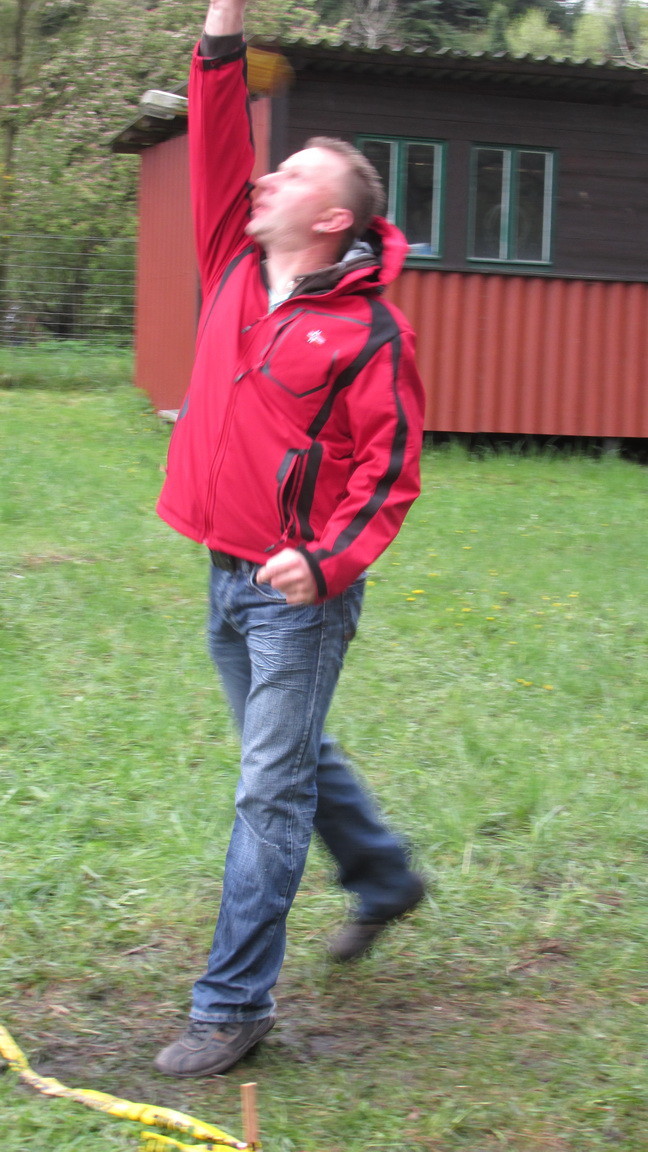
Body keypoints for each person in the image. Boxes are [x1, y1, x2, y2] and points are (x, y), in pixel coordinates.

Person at [153, 0, 426, 1079]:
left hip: (296, 594)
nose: (269, 178)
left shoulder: (368, 333)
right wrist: (223, 27)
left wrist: (325, 562)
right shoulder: (231, 262)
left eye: (297, 172)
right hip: (223, 572)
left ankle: (233, 1006)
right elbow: (221, 139)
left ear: (334, 219)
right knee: (290, 755)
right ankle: (386, 874)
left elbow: (387, 472)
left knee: (269, 787)